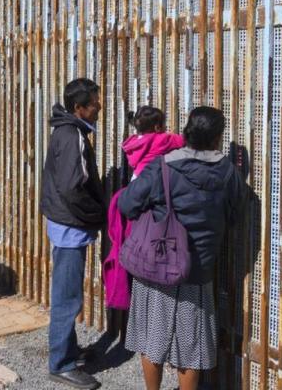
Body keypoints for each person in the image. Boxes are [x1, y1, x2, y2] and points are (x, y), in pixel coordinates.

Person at [119, 106, 250, 390]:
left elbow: (127, 204)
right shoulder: (229, 173)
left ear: (188, 132)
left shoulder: (163, 166)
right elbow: (236, 215)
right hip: (198, 270)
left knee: (152, 340)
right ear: (217, 138)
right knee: (190, 348)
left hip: (158, 263)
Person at [40, 78, 105, 390]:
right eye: (94, 102)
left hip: (63, 222)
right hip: (70, 226)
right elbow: (71, 187)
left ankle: (66, 352)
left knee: (66, 293)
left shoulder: (67, 130)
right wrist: (96, 213)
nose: (99, 106)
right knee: (67, 298)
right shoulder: (72, 136)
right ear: (79, 108)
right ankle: (61, 364)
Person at [103, 106, 184, 311]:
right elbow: (183, 142)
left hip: (135, 181)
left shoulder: (133, 143)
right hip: (151, 183)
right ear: (158, 126)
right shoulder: (162, 139)